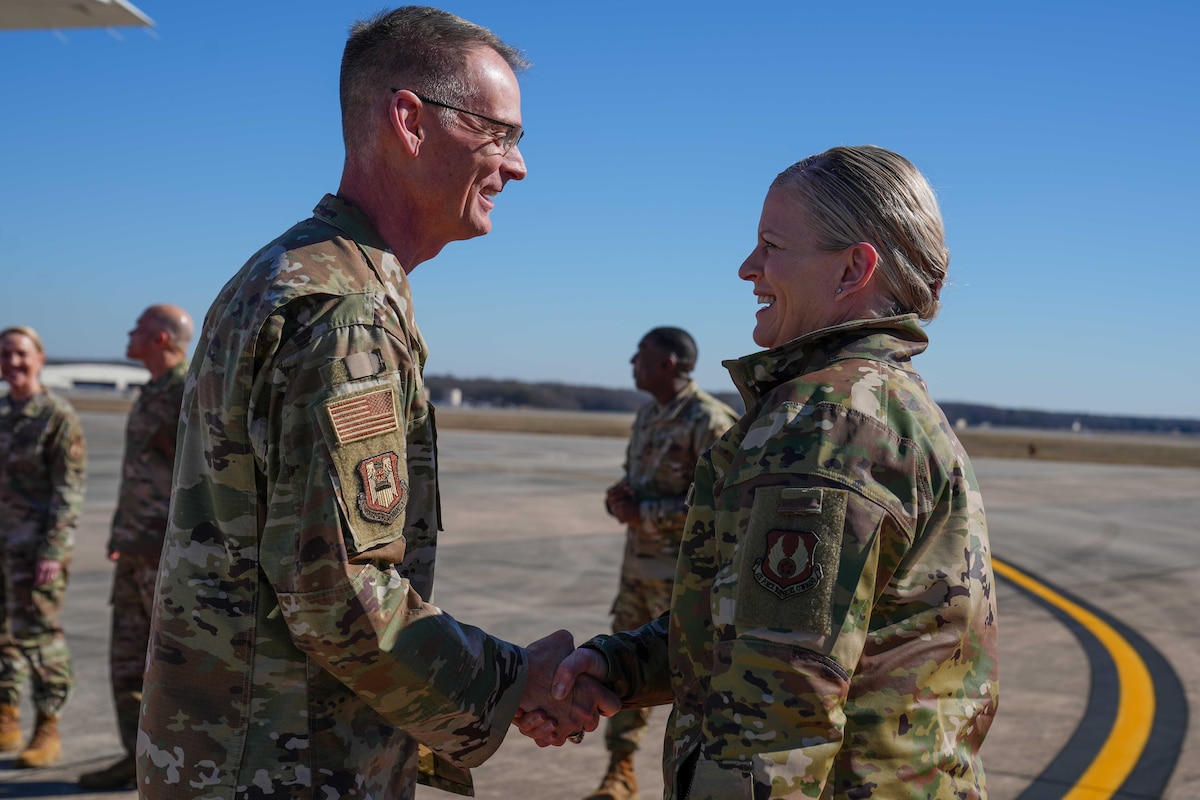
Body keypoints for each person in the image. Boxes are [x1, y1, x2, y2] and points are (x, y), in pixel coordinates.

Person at [137, 7, 615, 799]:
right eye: (499, 133)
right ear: (409, 121)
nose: (517, 166)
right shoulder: (344, 309)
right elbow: (337, 595)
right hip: (283, 767)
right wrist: (509, 683)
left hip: (235, 751)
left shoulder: (286, 272)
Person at [524, 145, 1000, 799]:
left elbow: (778, 715)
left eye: (771, 245)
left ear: (851, 270)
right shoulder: (868, 401)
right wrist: (619, 665)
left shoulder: (831, 422)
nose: (748, 267)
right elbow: (750, 626)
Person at [588, 328, 736, 800]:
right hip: (638, 575)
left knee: (698, 686)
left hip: (686, 583)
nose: (633, 362)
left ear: (669, 363)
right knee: (621, 672)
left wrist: (645, 513)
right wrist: (621, 500)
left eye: (642, 355)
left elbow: (726, 510)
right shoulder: (649, 415)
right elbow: (643, 483)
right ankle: (620, 773)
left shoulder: (710, 421)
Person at [77, 306, 192, 790]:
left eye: (137, 330)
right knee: (126, 659)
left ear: (160, 338)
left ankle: (180, 770)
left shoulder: (187, 391)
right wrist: (120, 534)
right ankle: (136, 757)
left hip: (167, 553)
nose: (128, 336)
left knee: (171, 665)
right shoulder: (151, 391)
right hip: (135, 547)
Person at [0, 326, 86, 768]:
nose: (12, 363)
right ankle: (7, 717)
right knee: (2, 639)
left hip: (34, 550)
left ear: (40, 358)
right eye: (5, 355)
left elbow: (68, 490)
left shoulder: (56, 416)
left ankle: (47, 727)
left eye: (20, 354)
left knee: (38, 639)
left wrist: (53, 550)